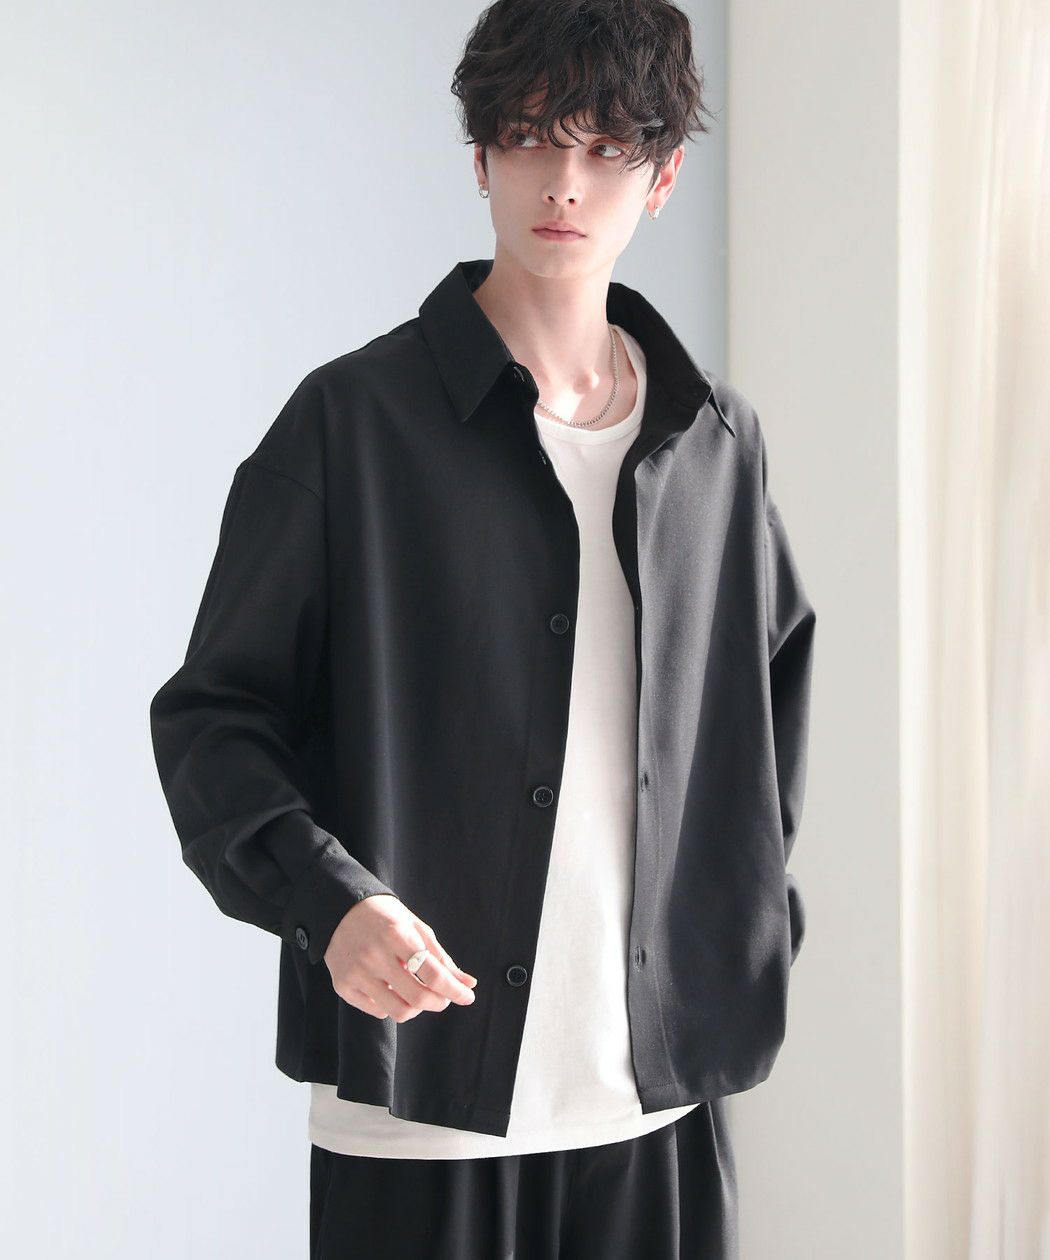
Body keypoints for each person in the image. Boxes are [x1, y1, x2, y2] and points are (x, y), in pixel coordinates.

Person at [149, 1, 816, 1256]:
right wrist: (330, 902)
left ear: (663, 176)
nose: (563, 183)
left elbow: (764, 716)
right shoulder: (352, 425)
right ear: (480, 158)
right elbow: (213, 721)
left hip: (656, 1105)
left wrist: (744, 929)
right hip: (425, 1109)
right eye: (529, 138)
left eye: (606, 148)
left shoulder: (716, 445)